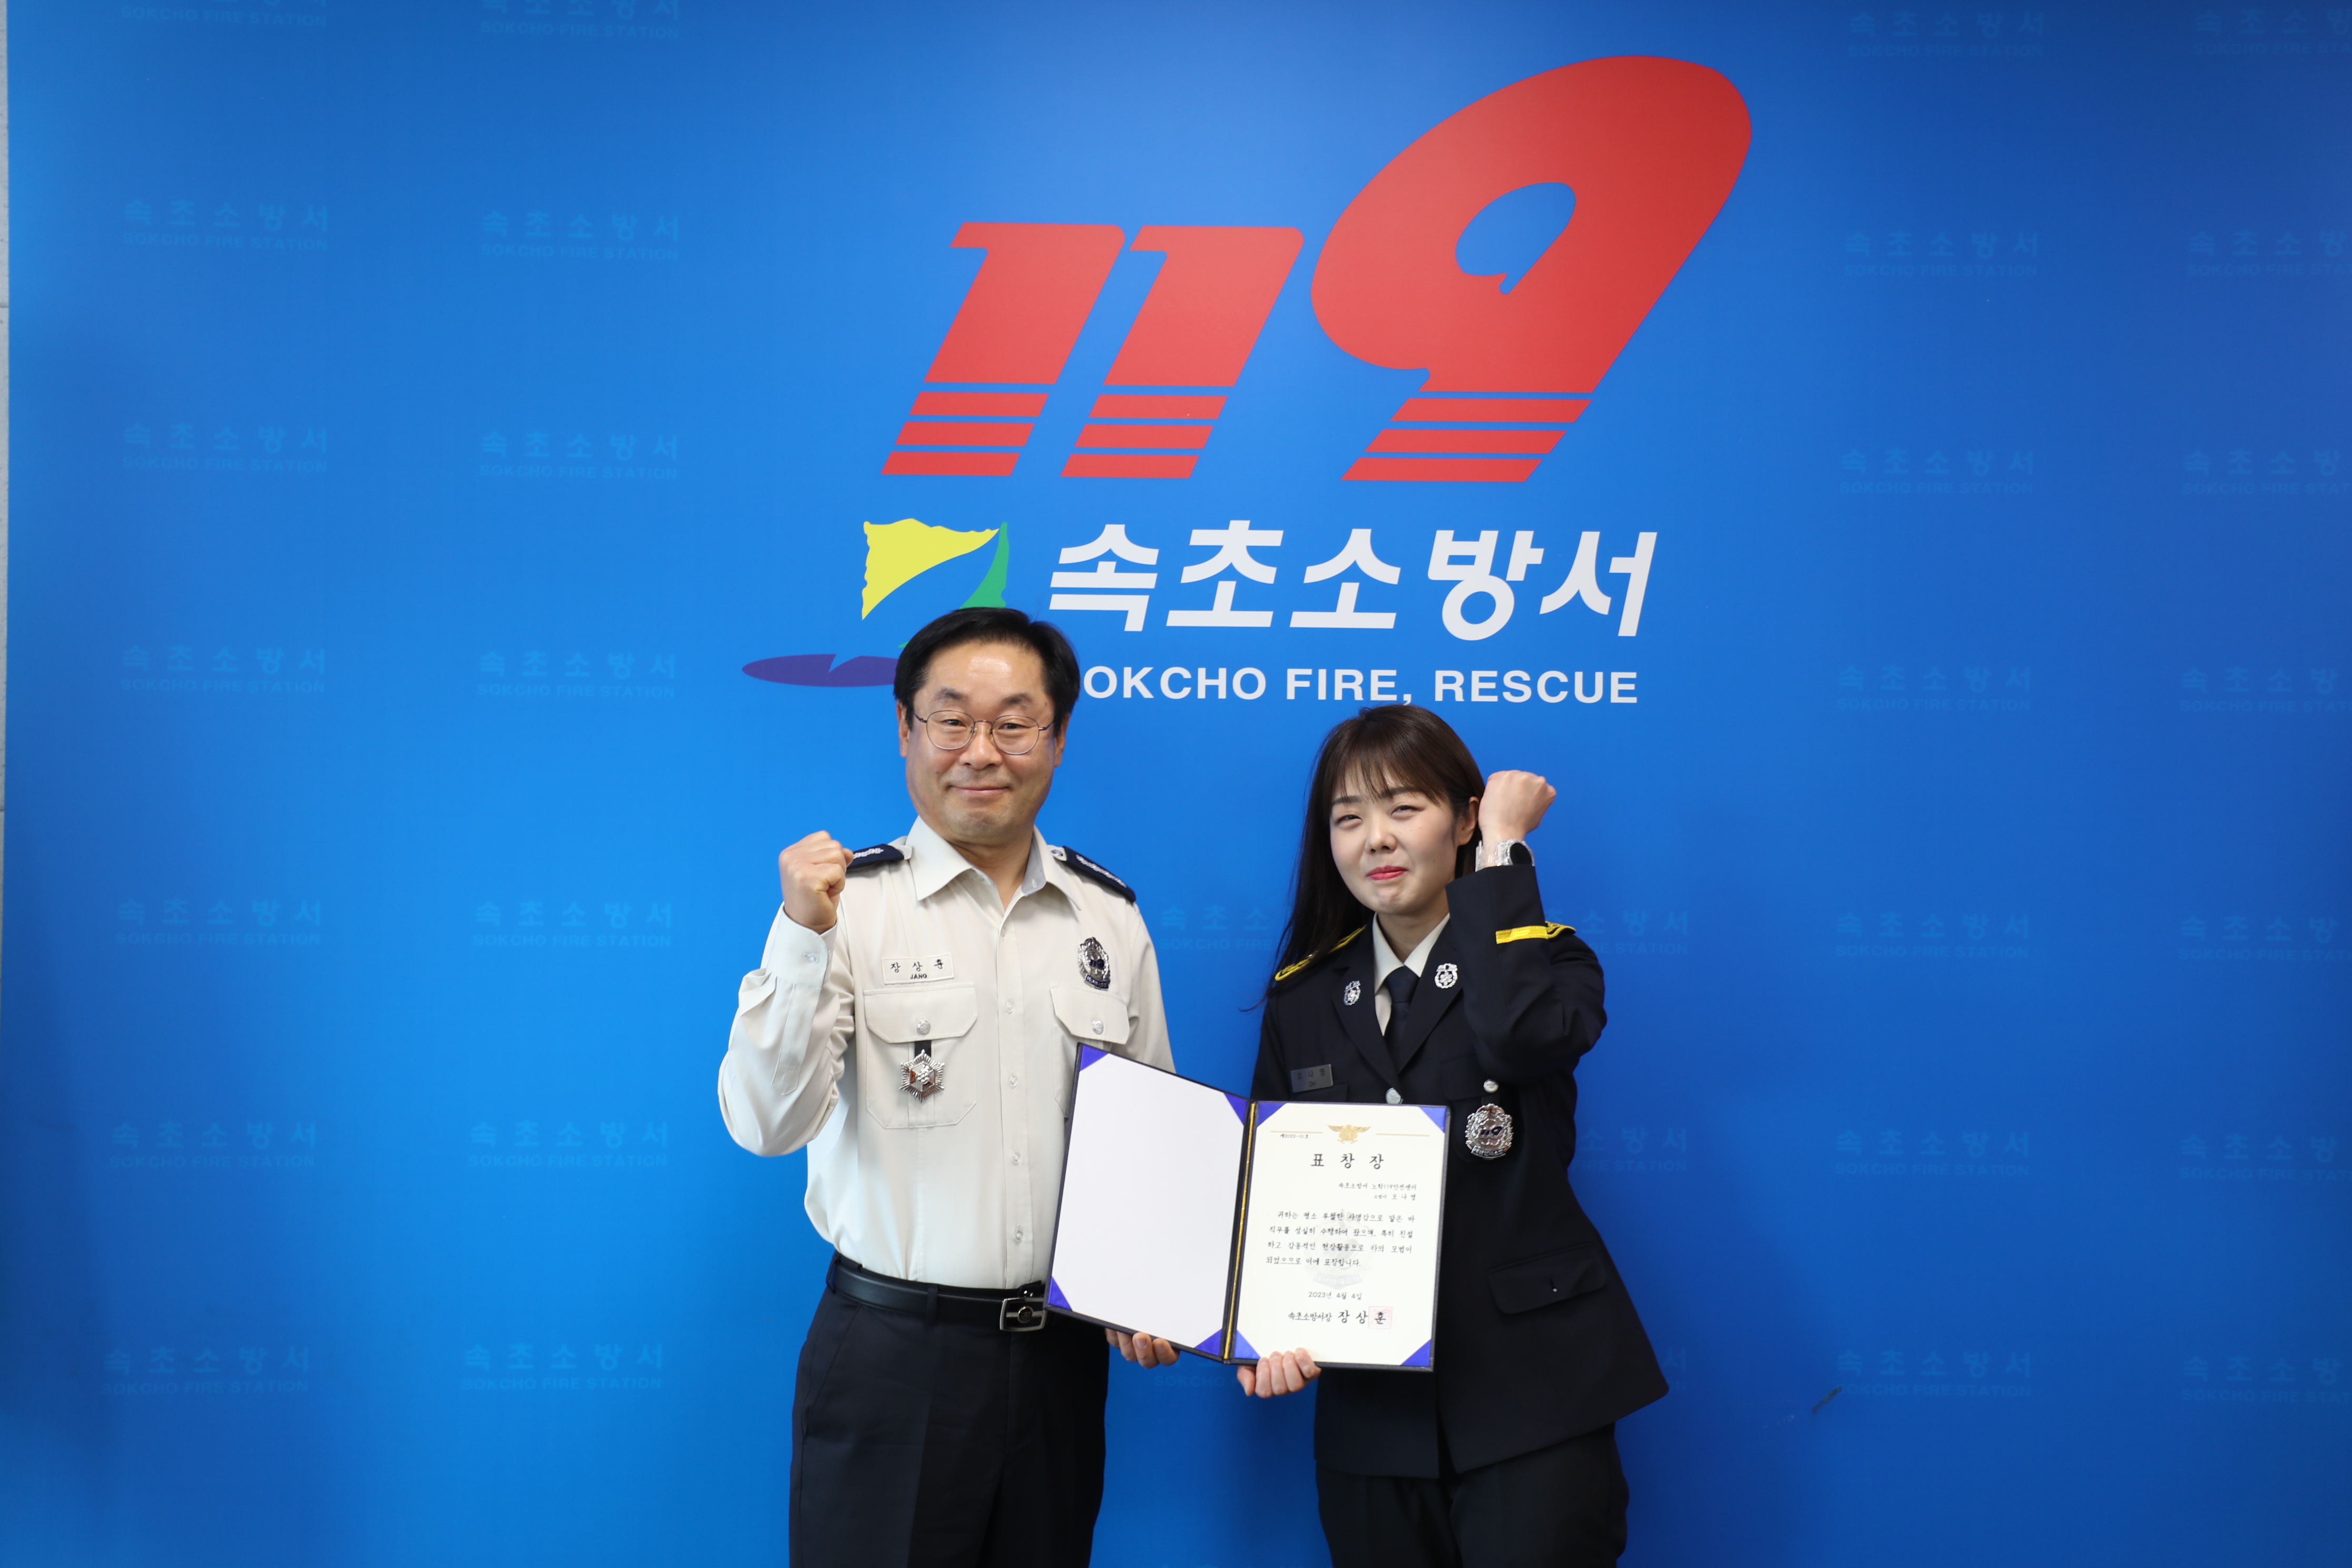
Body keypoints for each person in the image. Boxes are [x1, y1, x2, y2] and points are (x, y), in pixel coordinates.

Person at [718, 606, 1182, 1568]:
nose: (982, 752)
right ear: (905, 729)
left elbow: (1149, 1140)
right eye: (952, 720)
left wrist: (1155, 1290)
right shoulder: (843, 908)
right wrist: (800, 937)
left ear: (1057, 737)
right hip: (894, 1356)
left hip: (1060, 1360)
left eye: (1014, 724)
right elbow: (766, 1125)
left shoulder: (1110, 919)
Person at [1239, 705, 1667, 1568]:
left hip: (1531, 1393)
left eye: (1405, 808)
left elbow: (1518, 1040)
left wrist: (1505, 850)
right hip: (1370, 1412)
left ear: (1463, 819)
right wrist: (1260, 1332)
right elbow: (1273, 1188)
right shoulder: (1303, 997)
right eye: (1348, 818)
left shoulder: (1550, 963)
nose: (1376, 839)